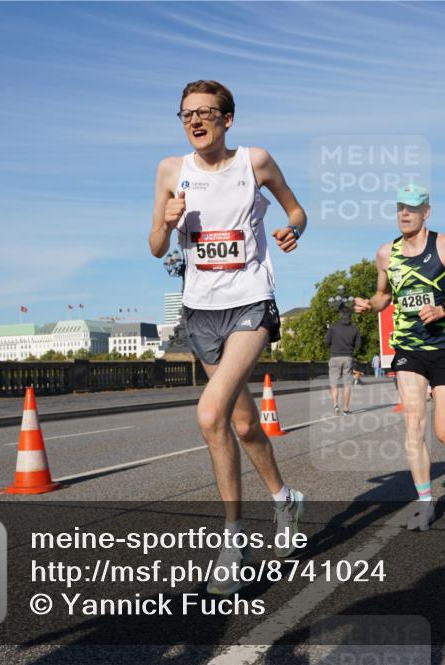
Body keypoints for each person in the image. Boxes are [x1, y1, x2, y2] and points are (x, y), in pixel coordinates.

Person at [148, 80, 306, 595]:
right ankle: (284, 499)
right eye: (186, 114)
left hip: (250, 303)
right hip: (201, 313)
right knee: (242, 423)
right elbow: (154, 246)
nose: (195, 121)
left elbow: (295, 209)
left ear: (228, 119)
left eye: (206, 113)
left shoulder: (254, 162)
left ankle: (232, 542)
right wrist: (167, 226)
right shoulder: (172, 171)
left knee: (210, 413)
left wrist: (292, 230)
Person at [354, 184, 445, 531]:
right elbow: (384, 296)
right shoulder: (386, 254)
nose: (404, 213)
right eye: (400, 207)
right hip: (408, 349)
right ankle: (426, 502)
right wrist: (370, 305)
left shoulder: (444, 245)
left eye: (412, 208)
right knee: (413, 421)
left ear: (427, 211)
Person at [325, 308, 362, 415]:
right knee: (347, 384)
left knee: (334, 384)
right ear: (350, 317)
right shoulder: (355, 329)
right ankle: (346, 409)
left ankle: (336, 406)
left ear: (340, 316)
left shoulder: (332, 327)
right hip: (348, 358)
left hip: (335, 357)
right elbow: (358, 346)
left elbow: (327, 342)